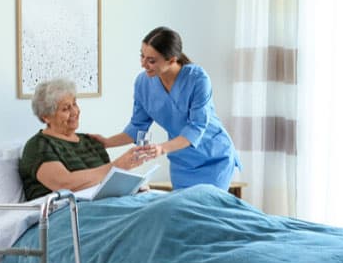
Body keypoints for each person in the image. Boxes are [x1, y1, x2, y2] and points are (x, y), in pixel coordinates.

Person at [92, 26, 240, 190]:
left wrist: (161, 148)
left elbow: (196, 128)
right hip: (182, 162)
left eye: (151, 60)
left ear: (171, 60)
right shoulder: (143, 83)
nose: (143, 64)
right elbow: (137, 127)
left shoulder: (197, 79)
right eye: (142, 56)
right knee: (182, 212)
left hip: (214, 158)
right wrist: (106, 142)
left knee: (207, 210)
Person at [19, 78, 147, 200]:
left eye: (74, 104)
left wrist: (132, 187)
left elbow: (106, 184)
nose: (74, 112)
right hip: (66, 212)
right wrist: (118, 165)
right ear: (46, 117)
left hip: (105, 205)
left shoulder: (90, 142)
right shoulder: (38, 146)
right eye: (65, 108)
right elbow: (64, 184)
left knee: (160, 204)